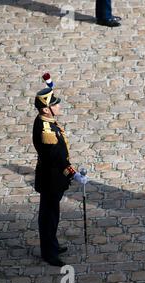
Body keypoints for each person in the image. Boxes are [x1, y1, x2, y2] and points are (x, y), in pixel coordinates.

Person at [33, 87, 88, 266]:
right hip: (51, 179)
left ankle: (52, 245)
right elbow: (57, 157)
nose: (58, 106)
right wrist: (74, 174)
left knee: (52, 214)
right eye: (54, 104)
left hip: (52, 177)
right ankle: (49, 253)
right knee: (48, 216)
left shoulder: (46, 120)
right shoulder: (46, 130)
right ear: (45, 109)